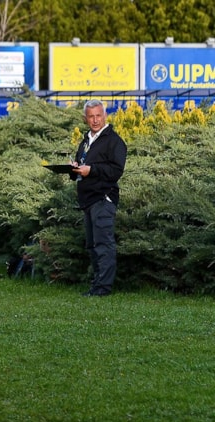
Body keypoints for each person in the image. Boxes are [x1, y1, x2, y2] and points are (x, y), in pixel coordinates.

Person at [70, 99, 127, 296]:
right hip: (87, 199)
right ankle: (97, 285)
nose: (95, 120)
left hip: (103, 198)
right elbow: (82, 165)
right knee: (93, 245)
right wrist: (74, 168)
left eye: (98, 116)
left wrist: (91, 170)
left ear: (105, 116)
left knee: (103, 245)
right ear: (85, 118)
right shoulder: (86, 140)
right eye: (91, 116)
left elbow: (116, 171)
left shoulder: (114, 141)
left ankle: (103, 288)